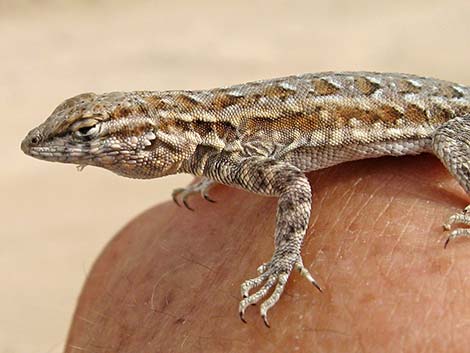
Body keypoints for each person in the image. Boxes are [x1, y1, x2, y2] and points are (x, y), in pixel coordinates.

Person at [64, 156, 469, 352]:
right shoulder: (216, 152)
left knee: (451, 138)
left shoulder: (219, 147)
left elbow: (295, 184)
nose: (72, 148)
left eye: (87, 134)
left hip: (444, 116)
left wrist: (284, 255)